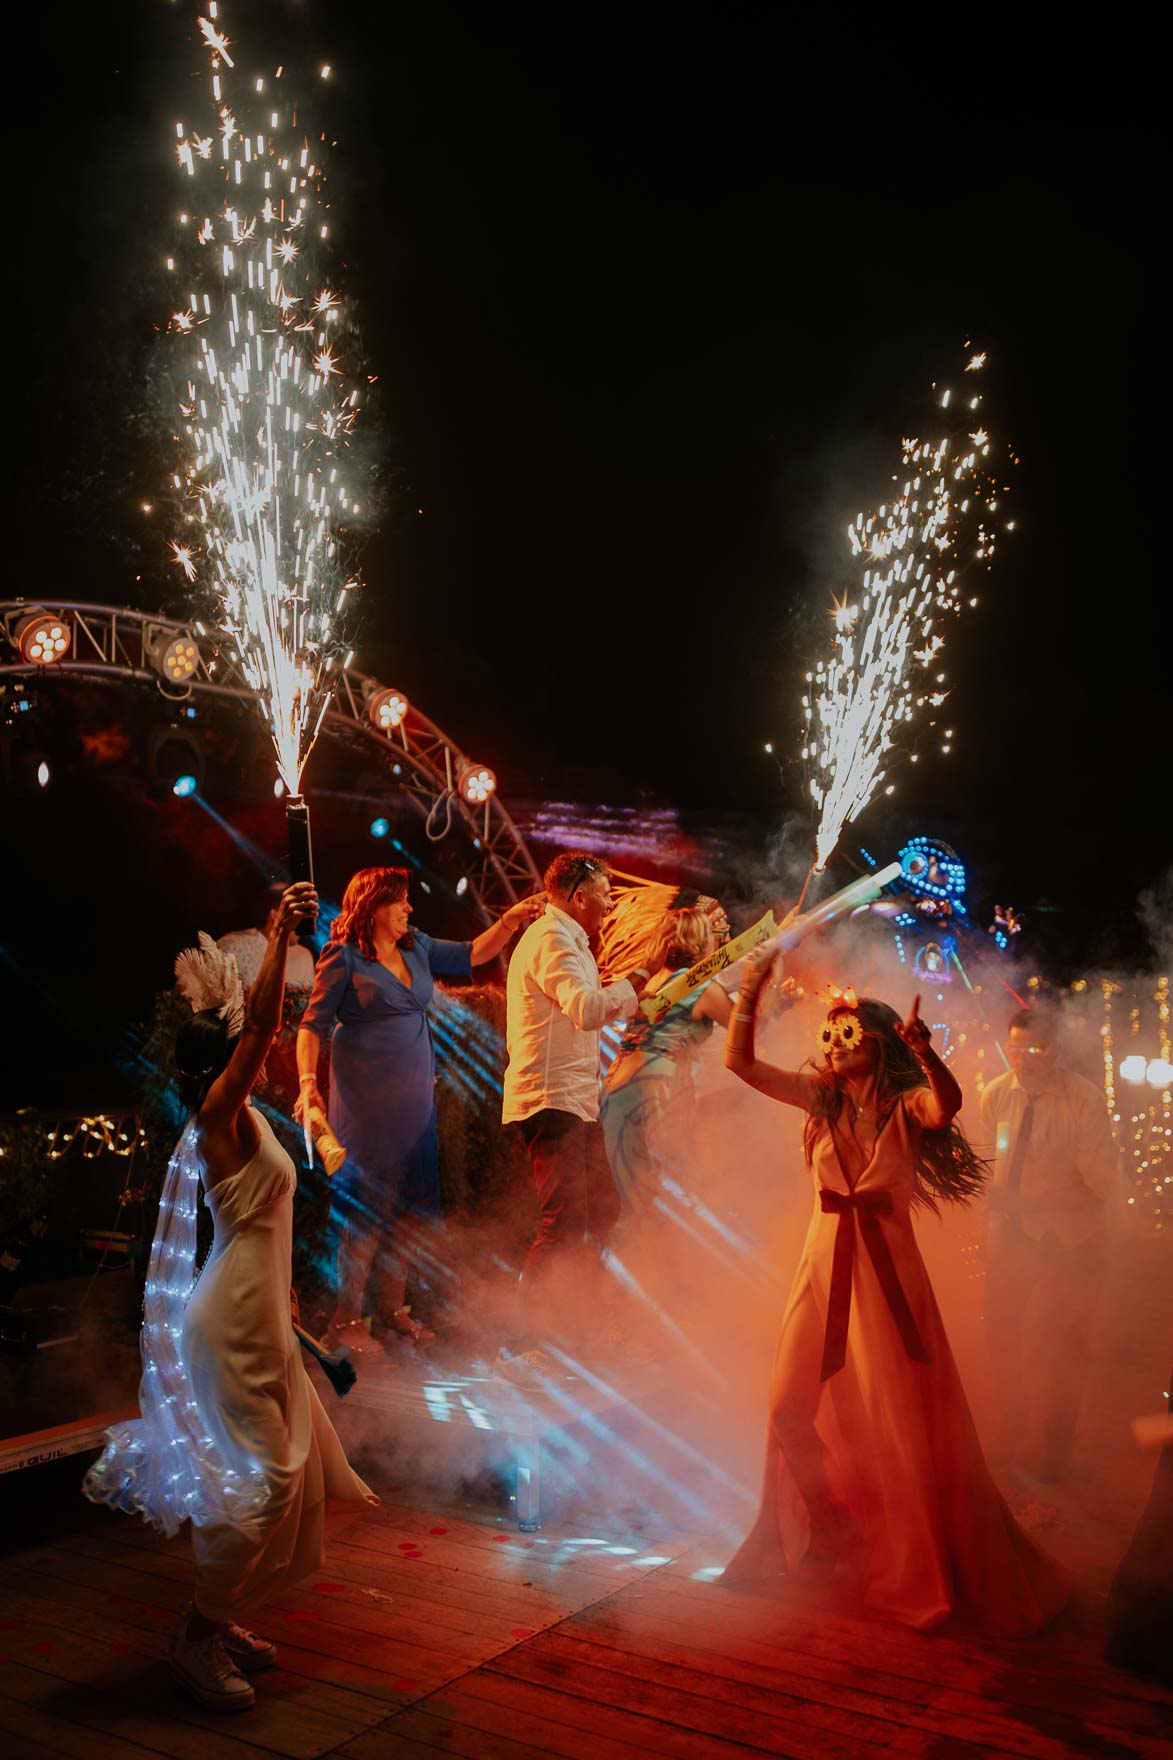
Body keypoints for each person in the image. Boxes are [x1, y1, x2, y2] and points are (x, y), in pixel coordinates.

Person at [85, 884, 377, 1712]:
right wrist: (283, 929)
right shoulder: (219, 1113)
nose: (263, 1056)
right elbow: (263, 1029)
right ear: (219, 1060)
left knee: (293, 1475)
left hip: (261, 1318)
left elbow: (263, 1225)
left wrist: (286, 1304)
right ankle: (195, 1635)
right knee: (263, 1487)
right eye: (245, 1049)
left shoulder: (236, 1116)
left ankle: (222, 1615)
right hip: (231, 1325)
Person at [721, 954, 1068, 1635]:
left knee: (898, 1419)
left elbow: (945, 1108)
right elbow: (740, 1064)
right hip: (821, 1266)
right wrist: (750, 990)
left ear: (878, 1041)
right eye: (827, 1034)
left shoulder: (904, 1106)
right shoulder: (816, 1099)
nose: (831, 1044)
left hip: (887, 1275)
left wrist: (928, 1057)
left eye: (846, 1033)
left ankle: (913, 1559)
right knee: (788, 1406)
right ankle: (829, 1528)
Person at [297, 867, 542, 1354]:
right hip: (366, 1110)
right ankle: (347, 1321)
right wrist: (308, 1085)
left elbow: (475, 952)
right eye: (401, 902)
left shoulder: (417, 946)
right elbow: (311, 1026)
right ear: (373, 906)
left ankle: (391, 1312)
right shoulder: (342, 957)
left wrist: (511, 921)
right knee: (365, 1217)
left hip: (415, 1108)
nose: (410, 909)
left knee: (410, 1211)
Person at [498, 851, 648, 1383]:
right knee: (561, 1221)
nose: (610, 906)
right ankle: (519, 1345)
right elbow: (585, 1010)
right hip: (549, 1098)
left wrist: (632, 999)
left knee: (602, 1209)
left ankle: (575, 1325)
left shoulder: (573, 941)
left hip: (576, 1100)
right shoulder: (550, 940)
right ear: (578, 894)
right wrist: (634, 987)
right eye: (606, 895)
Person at [979, 1006, 1119, 1480]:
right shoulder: (996, 1096)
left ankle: (1056, 1456)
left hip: (1072, 1239)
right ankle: (1011, 1435)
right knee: (1004, 1337)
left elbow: (1100, 1183)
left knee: (1065, 1345)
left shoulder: (1085, 1101)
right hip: (1013, 1237)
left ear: (1055, 1051)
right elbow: (988, 1164)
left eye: (1034, 1050)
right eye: (1015, 1050)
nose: (1023, 1060)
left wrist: (1034, 1203)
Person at [600, 905, 733, 1207]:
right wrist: (772, 981)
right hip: (653, 1088)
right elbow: (749, 1029)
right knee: (659, 1195)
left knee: (626, 1195)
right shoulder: (696, 985)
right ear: (701, 939)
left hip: (616, 1089)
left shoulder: (654, 981)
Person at [217, 882, 316, 992]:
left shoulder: (303, 955)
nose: (301, 921)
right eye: (296, 914)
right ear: (275, 915)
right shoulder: (233, 946)